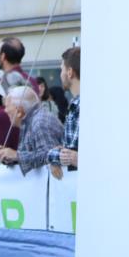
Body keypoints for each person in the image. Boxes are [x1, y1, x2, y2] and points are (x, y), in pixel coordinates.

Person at [0, 85, 63, 175]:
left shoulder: (40, 122)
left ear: (19, 112)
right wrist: (8, 157)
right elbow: (34, 157)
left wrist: (16, 155)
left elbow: (50, 156)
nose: (5, 111)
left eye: (7, 107)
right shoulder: (31, 120)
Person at [48, 46, 80, 174]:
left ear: (70, 72)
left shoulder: (78, 105)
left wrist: (56, 156)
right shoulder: (75, 103)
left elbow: (69, 153)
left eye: (61, 69)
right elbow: (67, 152)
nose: (60, 74)